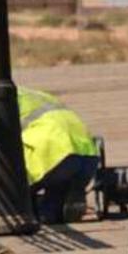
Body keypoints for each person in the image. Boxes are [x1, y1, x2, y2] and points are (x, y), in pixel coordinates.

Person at [17, 86, 100, 224]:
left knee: (11, 196)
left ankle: (28, 208)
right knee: (53, 207)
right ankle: (57, 206)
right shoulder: (35, 94)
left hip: (52, 155)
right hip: (88, 155)